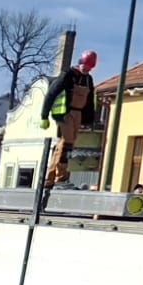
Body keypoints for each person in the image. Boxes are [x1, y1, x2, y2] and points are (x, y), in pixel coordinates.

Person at [40, 49, 99, 188]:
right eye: (85, 66)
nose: (87, 69)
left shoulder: (88, 79)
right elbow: (51, 93)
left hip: (78, 115)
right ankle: (59, 177)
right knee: (66, 144)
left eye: (90, 68)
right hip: (65, 113)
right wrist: (44, 115)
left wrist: (89, 119)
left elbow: (90, 101)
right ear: (80, 62)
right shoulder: (68, 75)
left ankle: (54, 177)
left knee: (68, 146)